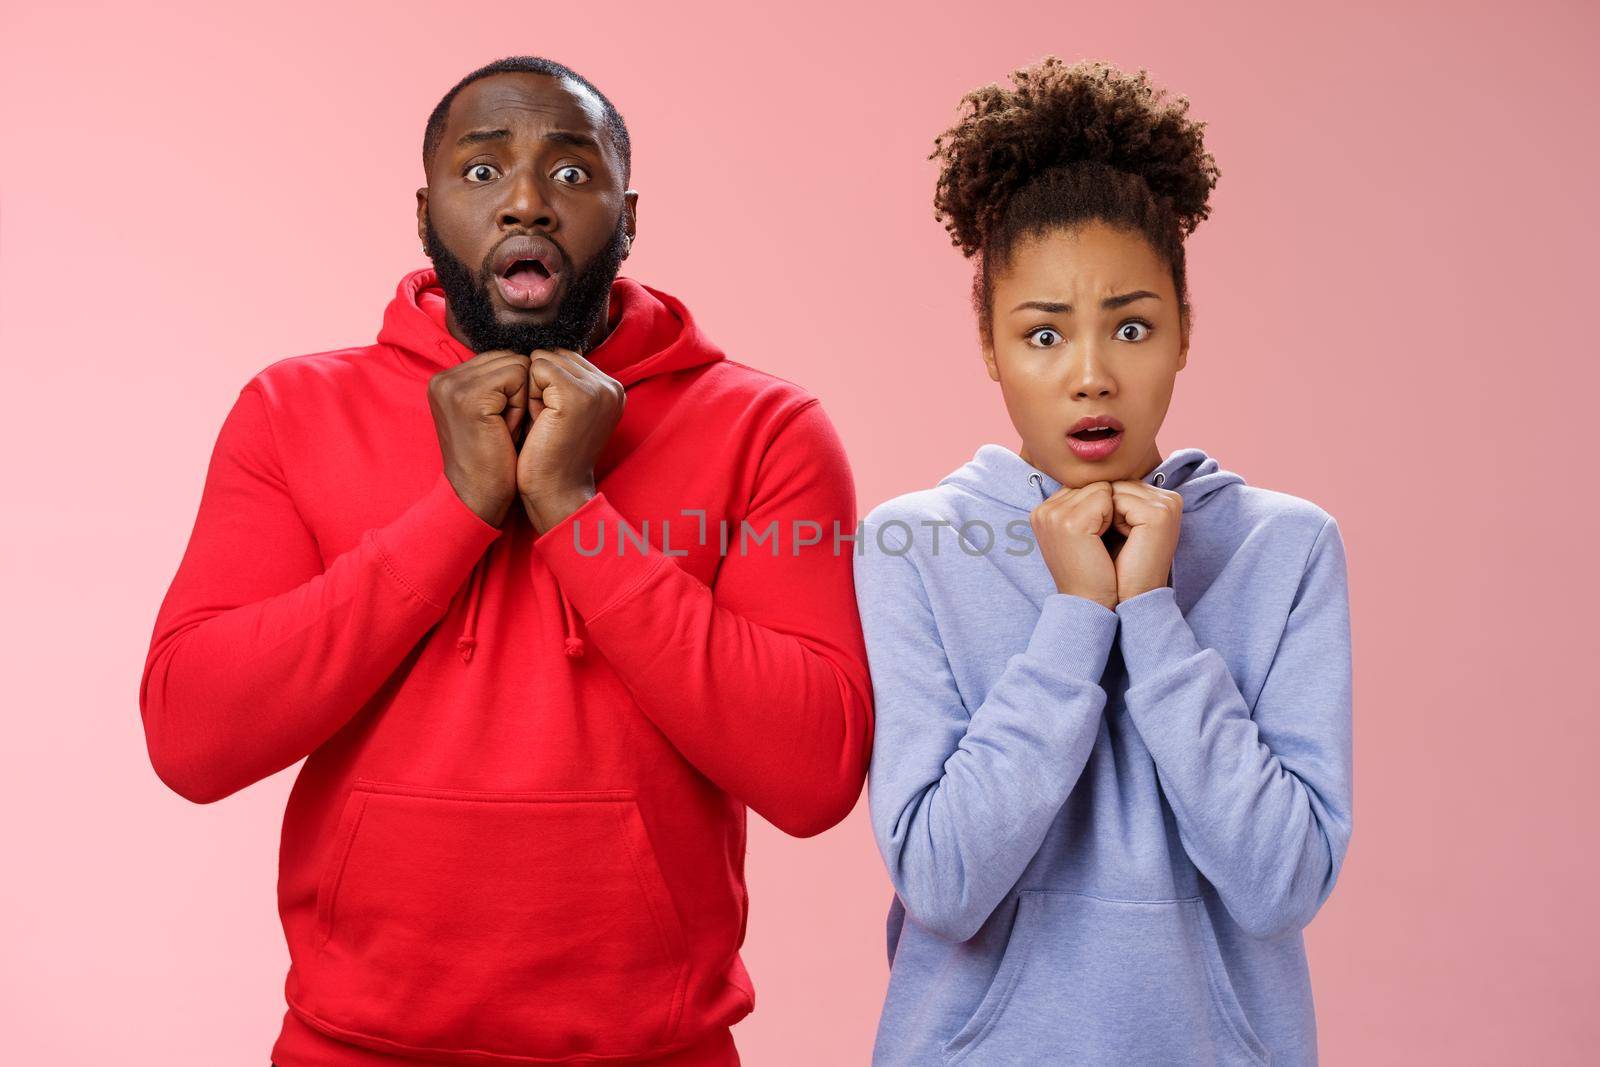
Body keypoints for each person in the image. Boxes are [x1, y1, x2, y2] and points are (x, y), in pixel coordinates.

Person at [139, 55, 873, 1067]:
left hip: (655, 1050)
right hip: (350, 1047)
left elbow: (812, 773)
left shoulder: (765, 427)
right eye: (482, 171)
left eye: (572, 173)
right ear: (425, 211)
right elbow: (192, 737)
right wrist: (458, 508)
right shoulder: (291, 411)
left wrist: (573, 507)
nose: (526, 200)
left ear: (628, 214)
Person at [855, 57, 1352, 1065]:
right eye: (1042, 333)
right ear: (990, 345)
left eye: (1131, 326)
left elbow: (1281, 882)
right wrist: (1077, 618)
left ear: (1183, 331)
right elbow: (943, 880)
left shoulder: (1283, 544)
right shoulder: (915, 543)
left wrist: (1153, 616)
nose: (1090, 373)